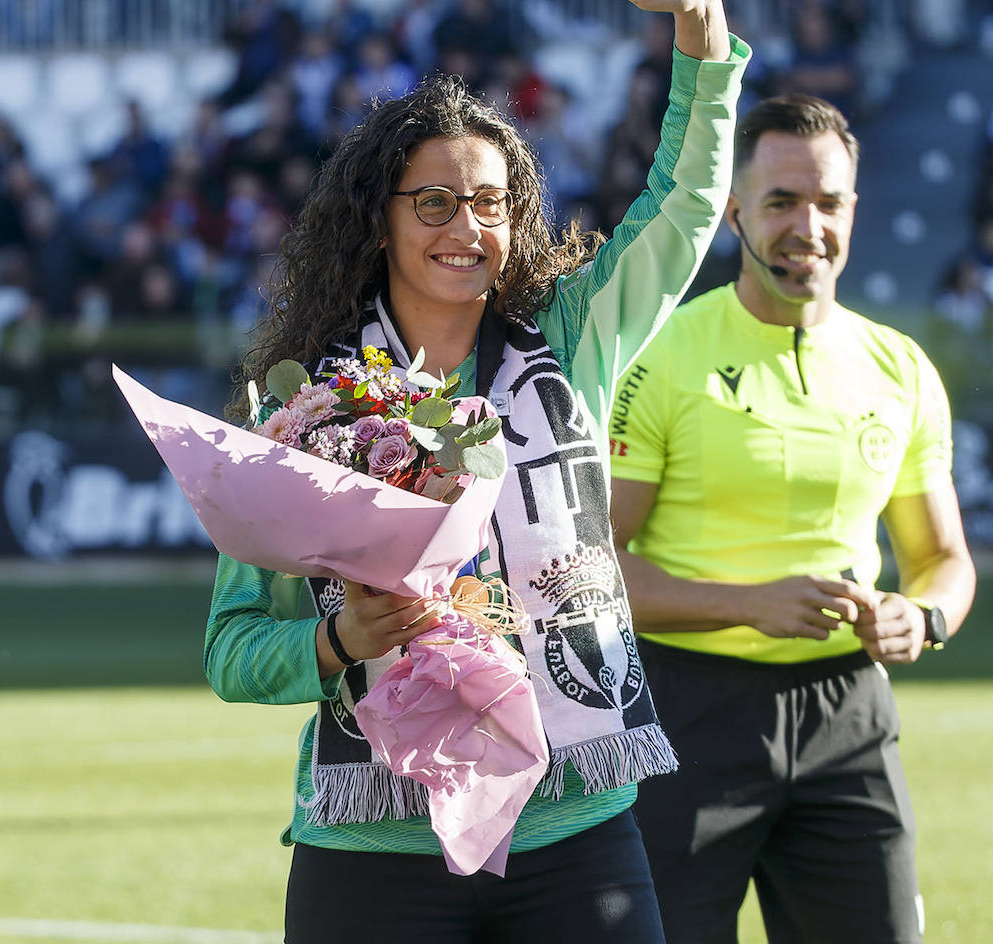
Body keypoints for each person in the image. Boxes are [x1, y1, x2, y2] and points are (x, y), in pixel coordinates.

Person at [204, 3, 748, 941]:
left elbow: (684, 204)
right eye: (435, 203)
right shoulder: (302, 408)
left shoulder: (572, 342)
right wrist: (339, 645)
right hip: (374, 847)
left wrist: (700, 36)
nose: (468, 226)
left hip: (573, 830)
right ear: (377, 222)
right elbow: (232, 647)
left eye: (491, 201)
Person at [607, 93, 978, 944]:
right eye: (780, 202)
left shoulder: (903, 368)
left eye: (828, 202)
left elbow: (945, 559)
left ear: (854, 210)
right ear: (736, 212)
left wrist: (918, 616)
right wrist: (748, 602)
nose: (806, 225)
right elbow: (593, 568)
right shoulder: (664, 354)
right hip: (684, 712)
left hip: (848, 714)